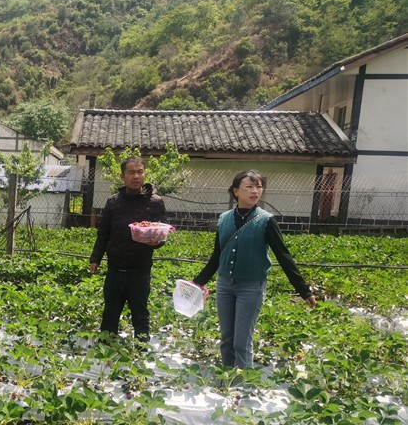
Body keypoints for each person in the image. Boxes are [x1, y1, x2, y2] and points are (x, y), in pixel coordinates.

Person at [193, 169, 317, 369]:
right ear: (236, 191)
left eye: (258, 187)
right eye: (249, 186)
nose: (255, 191)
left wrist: (303, 290)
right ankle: (227, 379)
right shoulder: (224, 219)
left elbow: (283, 256)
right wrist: (197, 283)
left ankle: (244, 383)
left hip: (251, 287)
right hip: (224, 286)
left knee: (241, 343)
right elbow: (217, 255)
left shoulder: (266, 221)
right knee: (226, 341)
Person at [89, 156, 167, 343]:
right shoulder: (113, 202)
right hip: (115, 269)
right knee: (110, 313)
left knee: (140, 314)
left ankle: (141, 351)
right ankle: (105, 350)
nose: (136, 176)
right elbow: (103, 233)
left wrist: (156, 242)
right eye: (131, 172)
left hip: (140, 270)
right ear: (122, 176)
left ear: (144, 174)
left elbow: (161, 233)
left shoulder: (155, 202)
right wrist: (95, 258)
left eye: (140, 172)